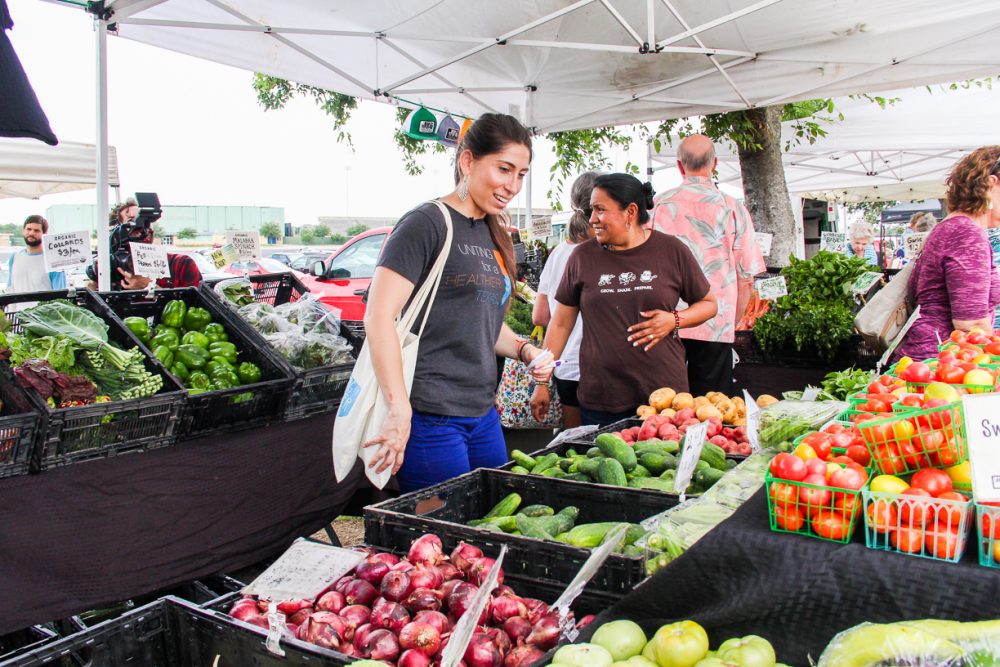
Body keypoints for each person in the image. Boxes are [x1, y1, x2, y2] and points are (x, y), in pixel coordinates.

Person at [362, 113, 552, 492]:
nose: (512, 185)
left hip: (482, 412)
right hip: (431, 415)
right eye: (504, 169)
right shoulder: (425, 223)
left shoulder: (492, 232)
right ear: (468, 161)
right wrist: (399, 407)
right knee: (447, 535)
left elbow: (483, 321)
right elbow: (378, 316)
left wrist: (527, 350)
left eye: (521, 174)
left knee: (492, 516)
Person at [531, 173, 717, 427]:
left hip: (664, 399)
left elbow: (708, 304)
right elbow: (560, 324)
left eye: (600, 210)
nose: (592, 219)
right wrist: (542, 381)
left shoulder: (671, 250)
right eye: (591, 210)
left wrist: (674, 320)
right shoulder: (582, 257)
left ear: (630, 211)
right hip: (602, 396)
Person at [650, 134, 766, 395]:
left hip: (666, 321)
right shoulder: (732, 208)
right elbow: (746, 276)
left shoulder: (659, 205)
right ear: (714, 164)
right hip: (716, 322)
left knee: (667, 404)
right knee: (711, 407)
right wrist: (733, 323)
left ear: (680, 166)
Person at [896, 146, 1000, 361]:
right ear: (991, 185)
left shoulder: (953, 225)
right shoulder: (967, 233)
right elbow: (971, 325)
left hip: (930, 360)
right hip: (940, 364)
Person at [531, 172, 598, 428]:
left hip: (567, 363)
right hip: (602, 366)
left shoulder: (559, 253)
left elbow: (540, 317)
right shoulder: (605, 251)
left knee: (575, 445)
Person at [112, 224, 202, 290]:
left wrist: (150, 286)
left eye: (138, 229)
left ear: (151, 235)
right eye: (127, 228)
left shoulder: (180, 264)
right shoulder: (109, 267)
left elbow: (195, 306)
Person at [6, 215, 66, 293]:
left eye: (36, 230)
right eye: (29, 229)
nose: (31, 233)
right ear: (23, 230)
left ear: (45, 234)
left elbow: (60, 296)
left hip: (44, 305)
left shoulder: (54, 260)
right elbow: (10, 288)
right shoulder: (14, 257)